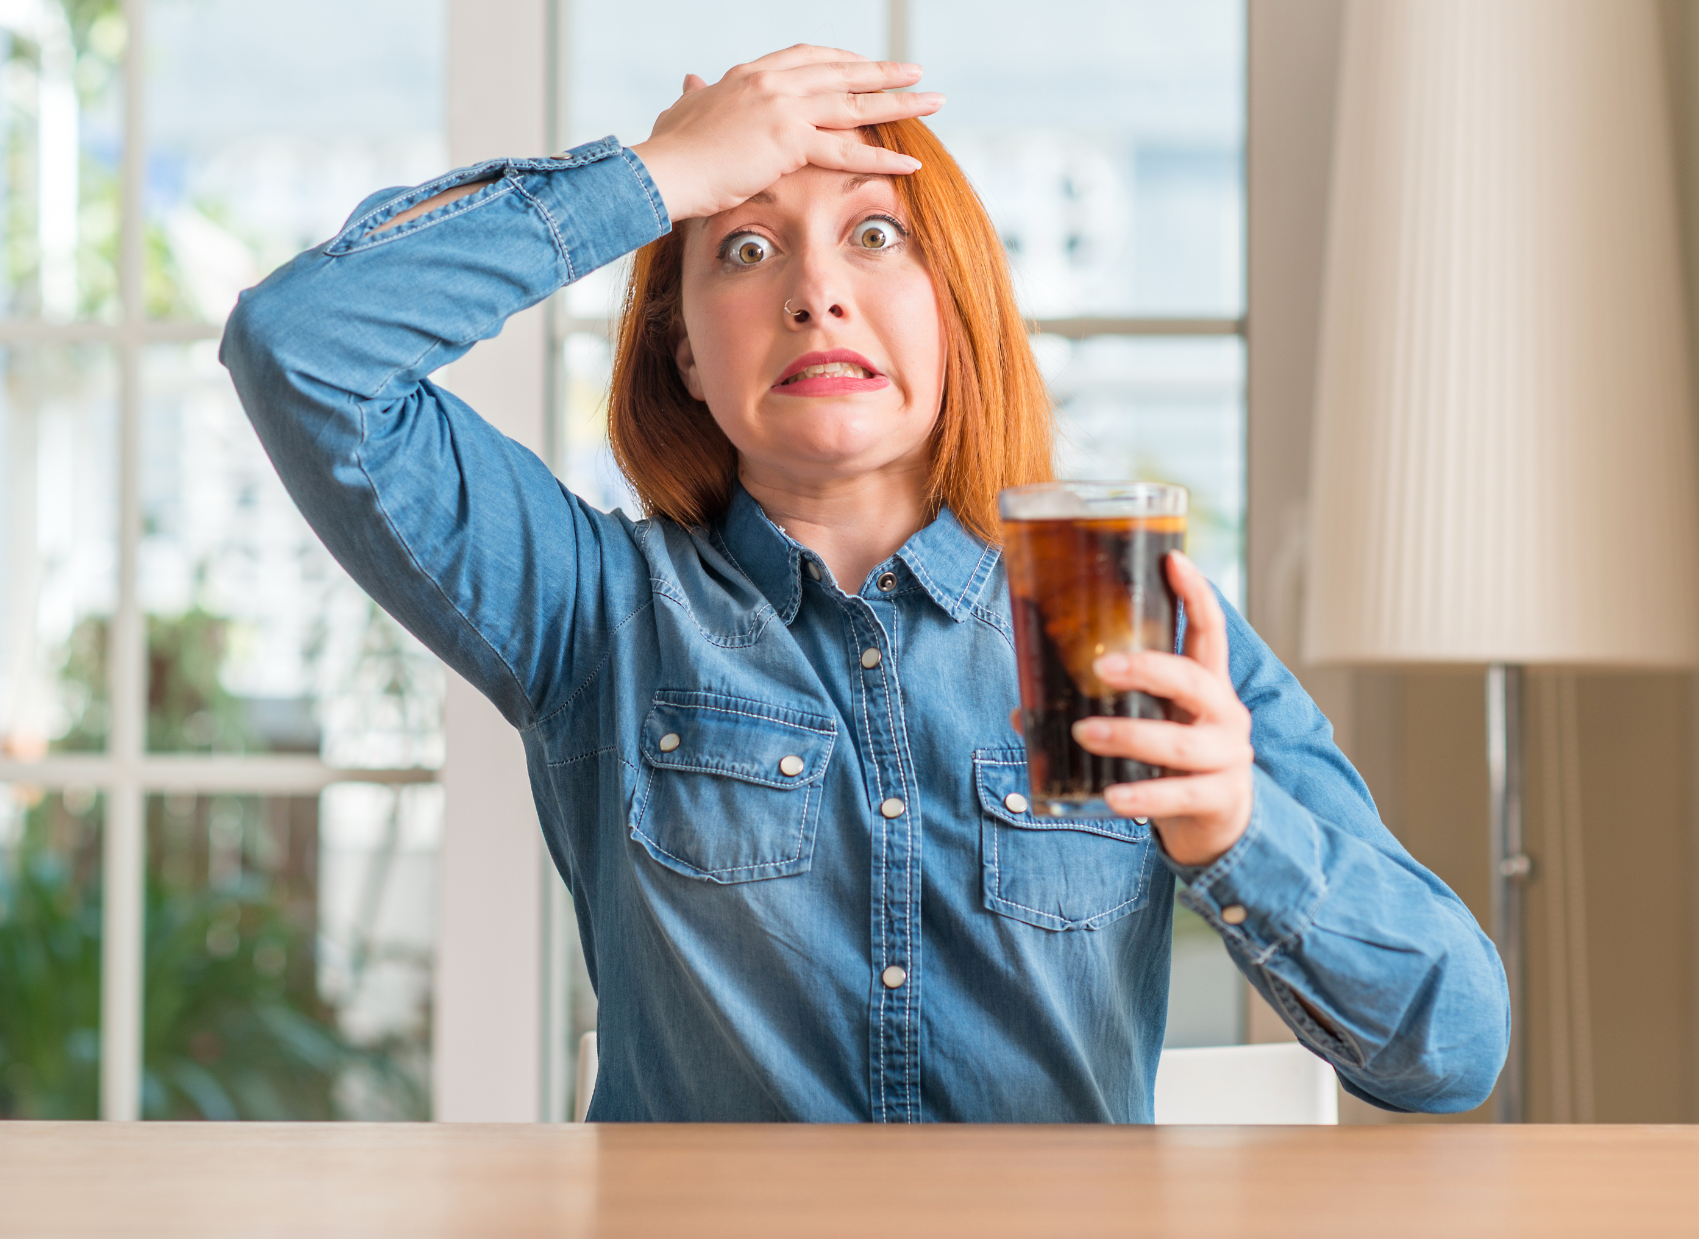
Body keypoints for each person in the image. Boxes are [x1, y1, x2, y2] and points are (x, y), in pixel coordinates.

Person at [222, 45, 1509, 1122]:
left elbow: (1448, 1047)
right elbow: (299, 347)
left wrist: (1237, 830)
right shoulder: (593, 610)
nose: (815, 294)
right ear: (683, 354)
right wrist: (657, 176)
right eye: (743, 249)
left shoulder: (1125, 619)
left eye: (874, 236)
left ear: (953, 314)